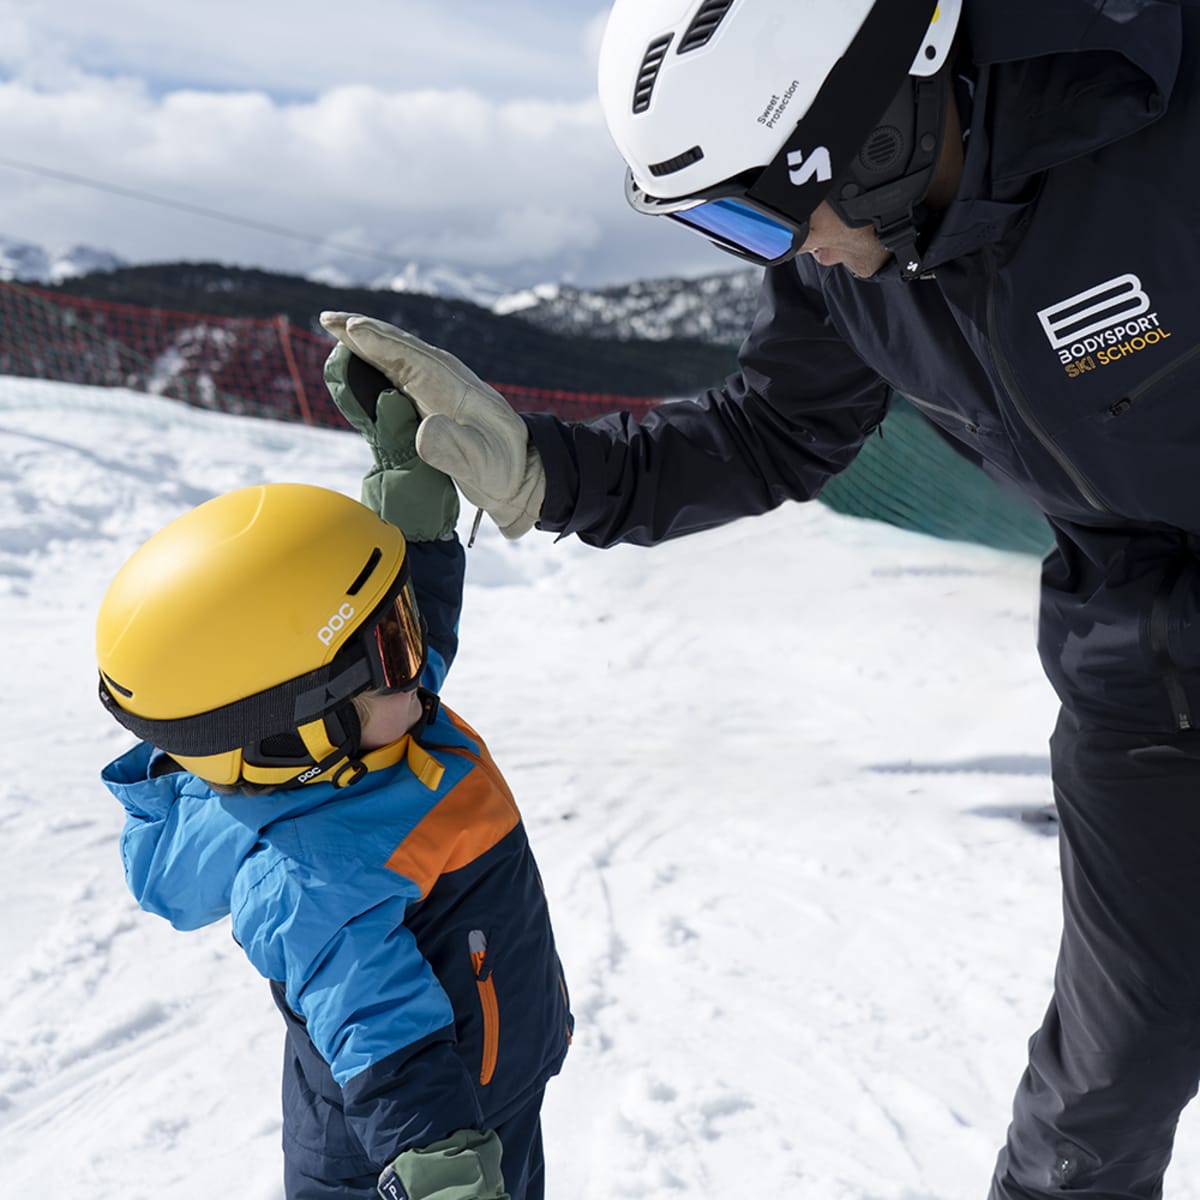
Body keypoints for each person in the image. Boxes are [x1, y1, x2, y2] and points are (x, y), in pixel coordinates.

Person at [316, 1, 1200, 1196]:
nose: (780, 251)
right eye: (721, 226)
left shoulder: (1162, 121)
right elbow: (771, 430)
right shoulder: (854, 261)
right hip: (1139, 650)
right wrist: (537, 468)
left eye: (754, 209)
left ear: (874, 123)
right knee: (1115, 1069)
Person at [95, 346, 572, 1200]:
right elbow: (383, 1035)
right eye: (394, 647)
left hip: (497, 1093)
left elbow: (393, 645)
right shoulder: (310, 876)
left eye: (399, 629)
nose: (418, 660)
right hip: (414, 1151)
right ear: (289, 732)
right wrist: (445, 1169)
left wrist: (405, 489)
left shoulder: (367, 728)